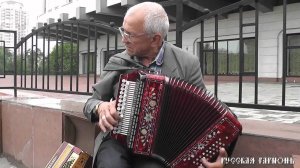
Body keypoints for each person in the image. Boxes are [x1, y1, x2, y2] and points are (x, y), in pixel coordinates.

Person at [83, 2, 228, 168]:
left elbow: (206, 117)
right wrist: (100, 107)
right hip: (117, 141)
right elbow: (90, 103)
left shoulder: (187, 63)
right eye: (123, 30)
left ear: (155, 38)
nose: (123, 39)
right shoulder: (118, 62)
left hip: (160, 150)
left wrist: (214, 155)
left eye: (130, 34)